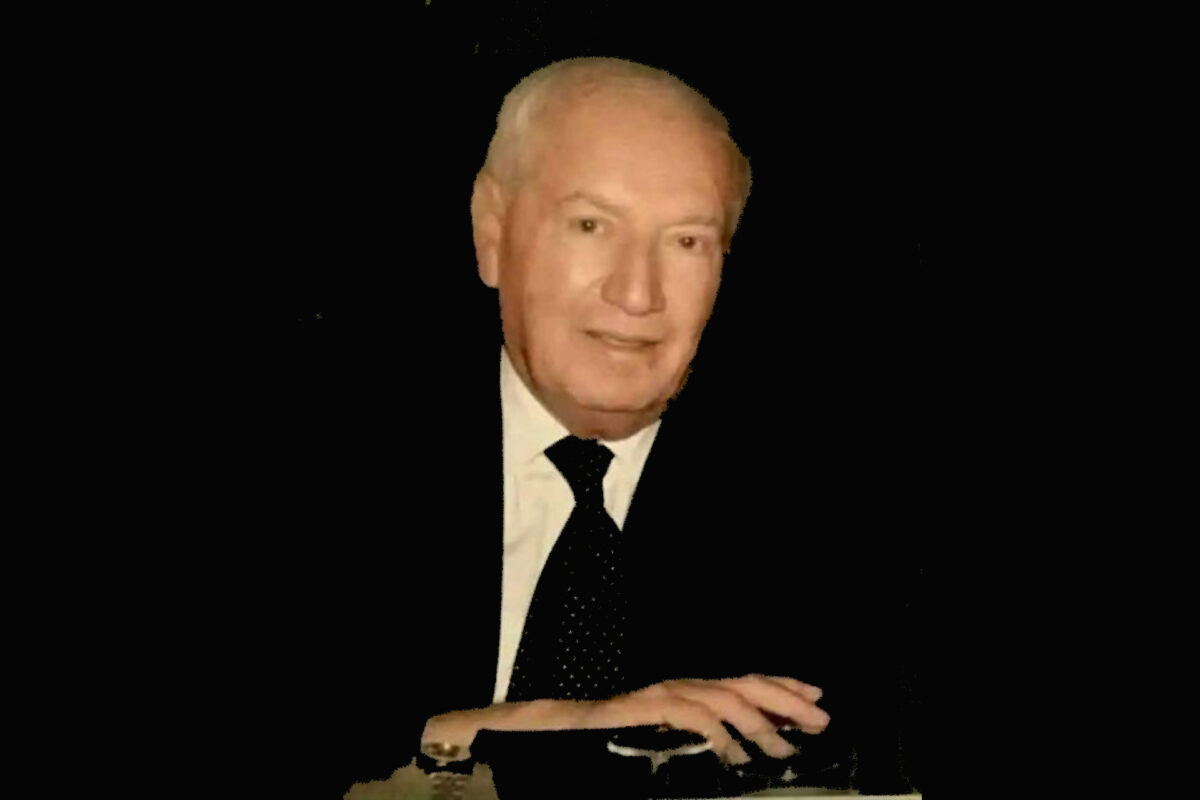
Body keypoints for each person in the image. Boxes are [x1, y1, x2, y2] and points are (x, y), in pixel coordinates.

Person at [299, 57, 914, 796]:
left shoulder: (842, 499)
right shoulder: (329, 438)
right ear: (492, 231)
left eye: (686, 241)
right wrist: (525, 728)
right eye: (591, 225)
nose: (637, 293)